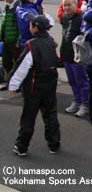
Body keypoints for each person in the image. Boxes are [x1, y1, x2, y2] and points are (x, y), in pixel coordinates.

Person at [8, 15, 60, 156]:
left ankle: (21, 146)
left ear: (35, 28)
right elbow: (55, 60)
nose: (29, 27)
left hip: (34, 88)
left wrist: (13, 85)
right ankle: (54, 144)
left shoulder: (32, 45)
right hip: (50, 86)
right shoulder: (51, 41)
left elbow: (22, 67)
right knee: (51, 115)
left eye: (31, 25)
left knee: (28, 118)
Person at [58, 0, 89, 118]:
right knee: (72, 80)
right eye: (64, 5)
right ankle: (77, 100)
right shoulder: (65, 17)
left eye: (69, 5)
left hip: (78, 56)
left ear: (76, 5)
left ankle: (85, 104)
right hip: (66, 54)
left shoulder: (82, 18)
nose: (66, 8)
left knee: (82, 81)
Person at [0, 0, 21, 87]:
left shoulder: (18, 7)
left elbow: (21, 26)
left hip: (14, 41)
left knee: (17, 63)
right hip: (6, 40)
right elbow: (3, 23)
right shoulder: (6, 5)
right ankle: (11, 82)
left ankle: (16, 84)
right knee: (6, 62)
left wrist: (18, 40)